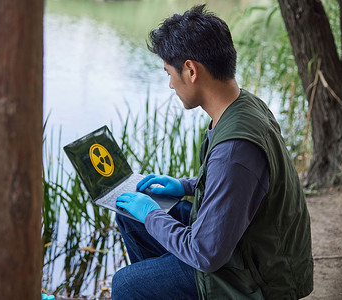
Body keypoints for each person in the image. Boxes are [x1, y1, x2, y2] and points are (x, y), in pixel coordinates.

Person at [112, 4, 313, 300]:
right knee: (130, 214)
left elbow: (206, 253)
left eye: (170, 73)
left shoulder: (235, 149)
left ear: (191, 70)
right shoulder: (245, 105)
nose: (170, 84)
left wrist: (153, 213)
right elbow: (242, 184)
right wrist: (184, 186)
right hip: (247, 247)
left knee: (127, 285)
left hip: (255, 277)